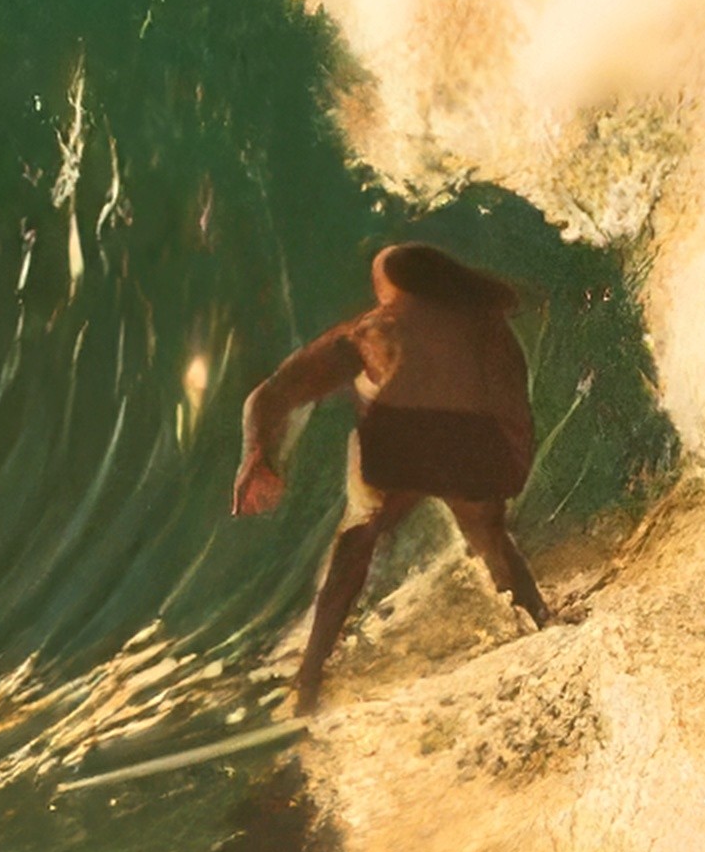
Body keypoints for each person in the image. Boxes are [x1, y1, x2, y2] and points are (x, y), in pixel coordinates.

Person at [227, 241, 579, 711]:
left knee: (355, 546)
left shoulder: (375, 328)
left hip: (400, 448)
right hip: (476, 448)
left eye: (381, 284)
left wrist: (255, 454)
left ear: (399, 288)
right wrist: (504, 463)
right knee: (490, 538)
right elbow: (511, 402)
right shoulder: (485, 324)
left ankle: (309, 682)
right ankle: (542, 626)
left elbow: (273, 394)